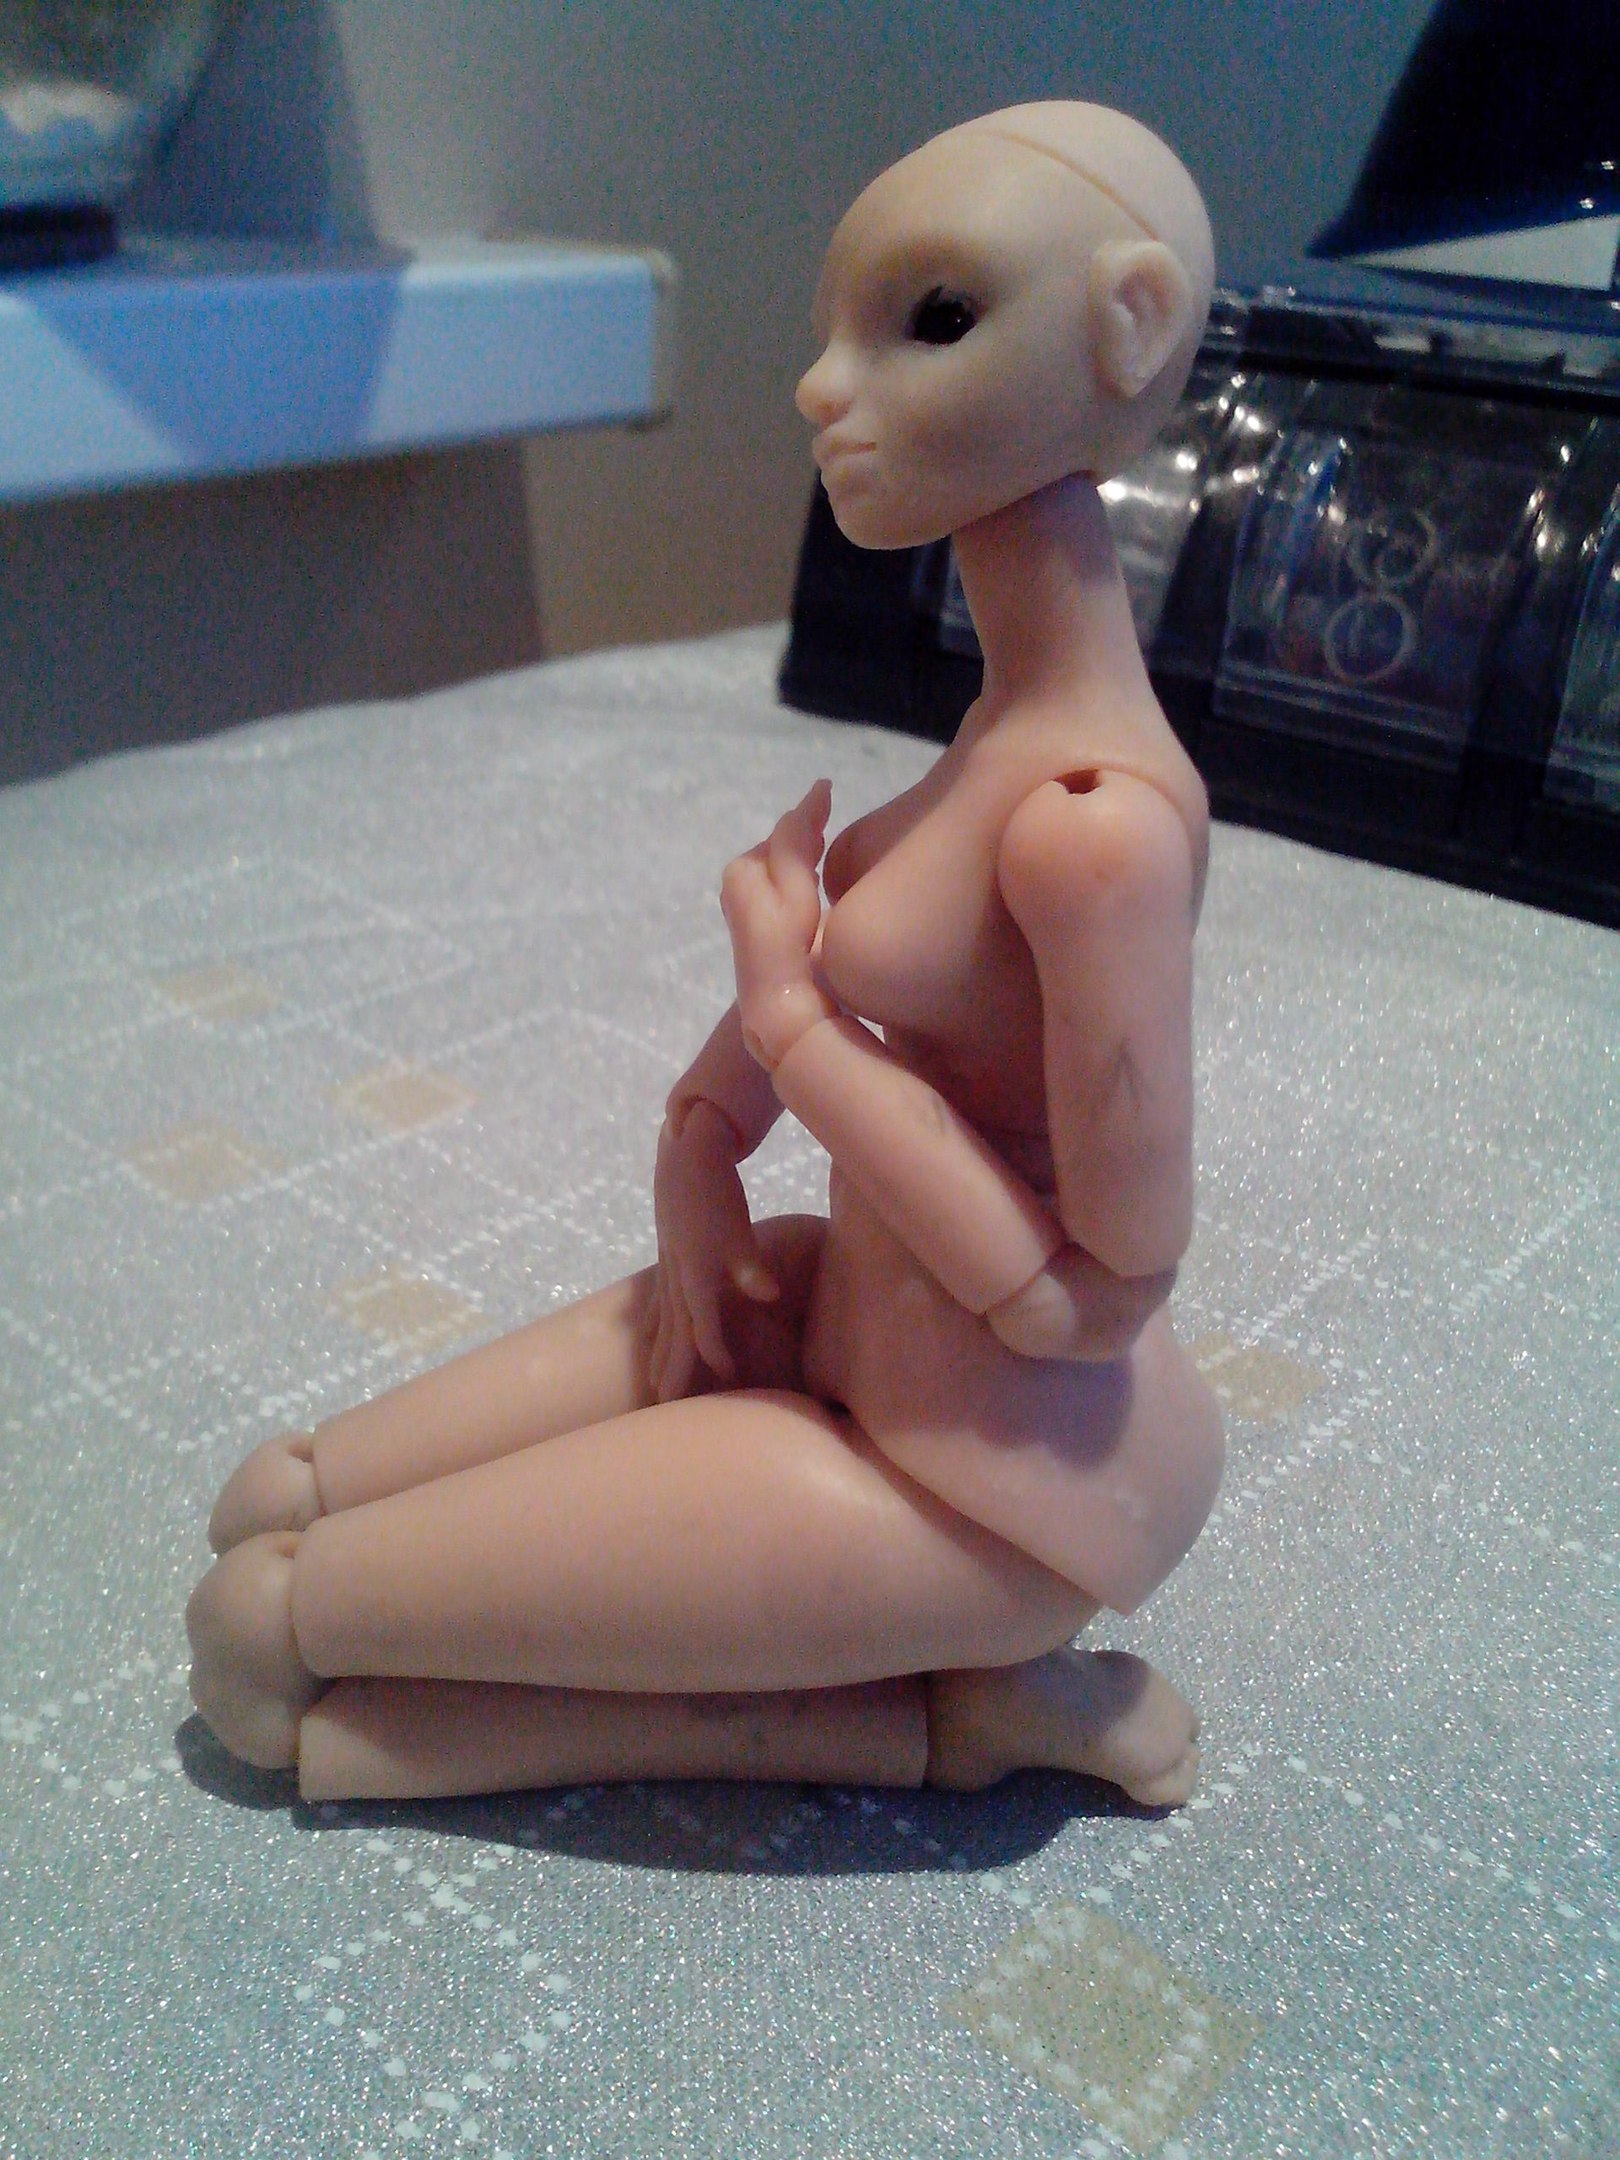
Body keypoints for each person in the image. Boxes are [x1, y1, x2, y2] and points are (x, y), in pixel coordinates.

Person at [187, 100, 1224, 1809]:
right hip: (845, 1306)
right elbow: (843, 1005)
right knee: (300, 1486)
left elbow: (1094, 1293)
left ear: (1131, 324)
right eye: (834, 332)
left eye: (929, 320)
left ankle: (971, 1683)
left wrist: (796, 1029)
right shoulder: (998, 743)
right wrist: (704, 1144)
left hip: (979, 1484)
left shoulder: (1098, 825)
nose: (823, 387)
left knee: (282, 1624)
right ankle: (967, 1707)